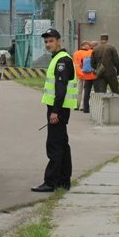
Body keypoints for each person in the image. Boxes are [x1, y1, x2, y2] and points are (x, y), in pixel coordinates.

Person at [31, 28, 78, 193]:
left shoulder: (61, 61)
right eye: (46, 41)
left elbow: (61, 89)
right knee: (62, 145)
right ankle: (64, 181)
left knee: (54, 145)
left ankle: (51, 182)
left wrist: (55, 112)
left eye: (51, 41)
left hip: (57, 109)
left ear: (59, 41)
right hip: (59, 108)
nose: (48, 44)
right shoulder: (58, 59)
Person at [72, 41, 96, 113]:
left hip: (78, 74)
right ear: (85, 46)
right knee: (85, 91)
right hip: (85, 73)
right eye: (89, 45)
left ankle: (77, 105)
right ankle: (82, 106)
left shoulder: (75, 53)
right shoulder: (87, 53)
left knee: (78, 90)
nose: (90, 46)